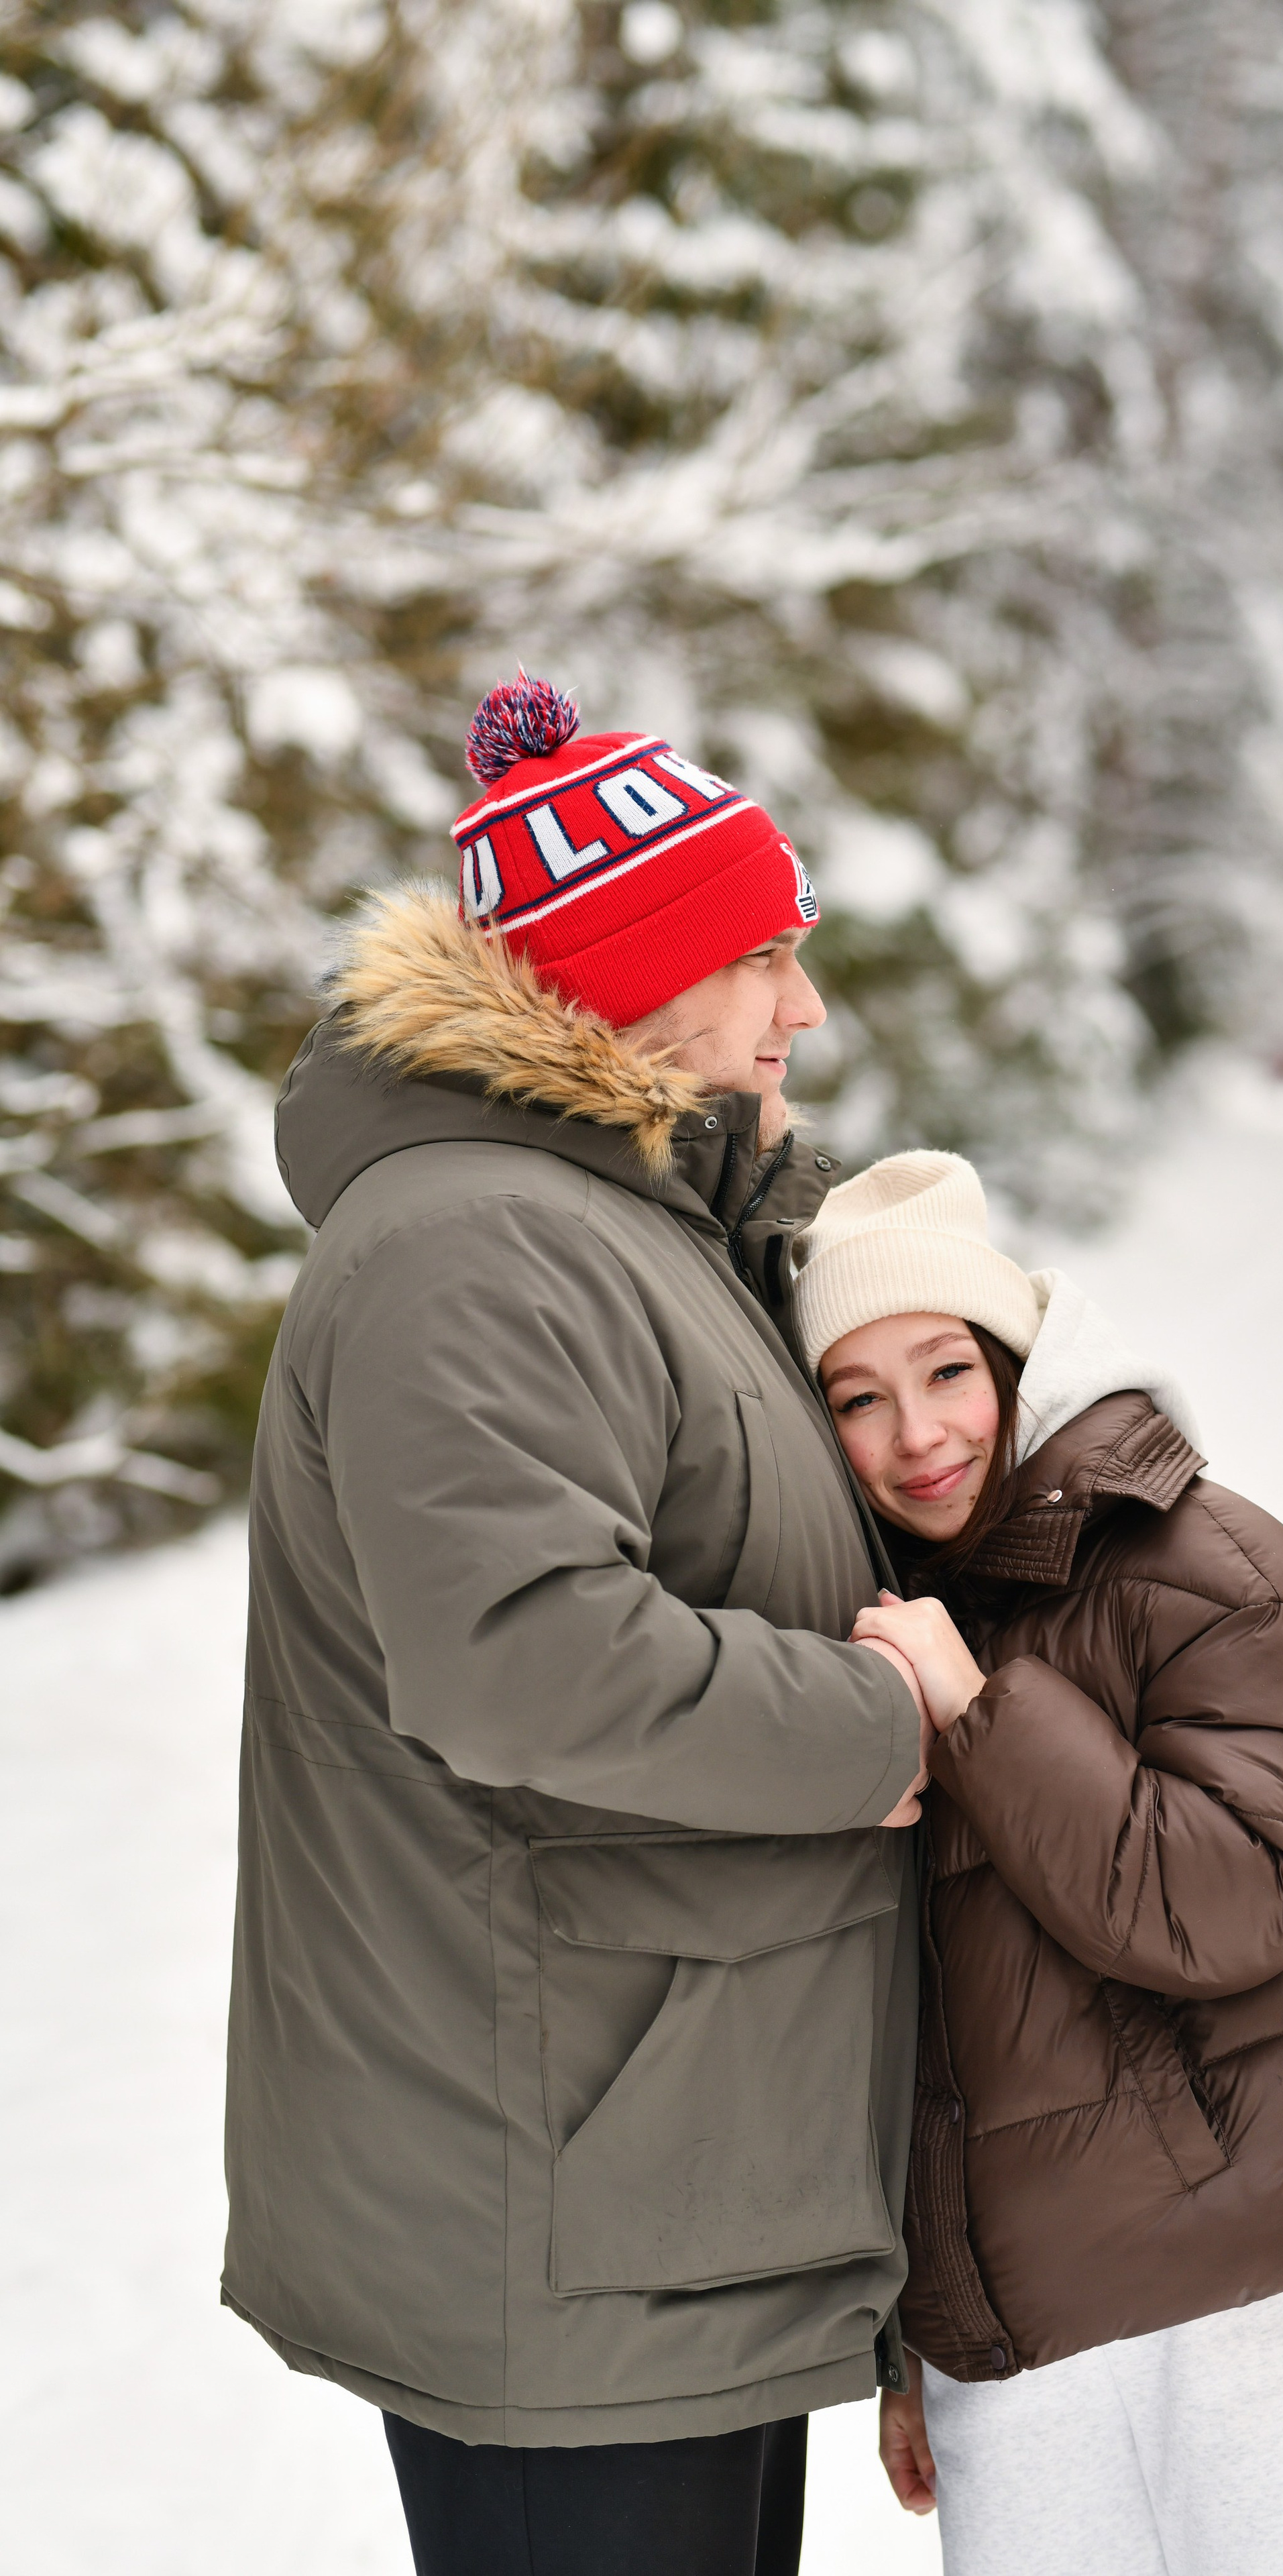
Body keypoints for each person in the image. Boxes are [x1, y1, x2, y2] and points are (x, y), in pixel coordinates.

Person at [223, 676, 932, 2576]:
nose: (806, 1011)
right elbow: (526, 1661)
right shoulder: (476, 1243)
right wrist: (893, 1728)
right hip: (559, 2199)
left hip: (658, 2173)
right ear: (638, 976)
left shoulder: (630, 1230)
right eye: (766, 956)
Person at [792, 1150, 1283, 2576]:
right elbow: (912, 2031)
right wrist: (917, 2336)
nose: (916, 1436)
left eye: (945, 1371)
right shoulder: (890, 1637)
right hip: (1013, 2348)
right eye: (857, 1396)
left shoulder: (1210, 1571)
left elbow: (1227, 1902)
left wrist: (980, 1714)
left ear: (1017, 1361)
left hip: (1247, 2296)